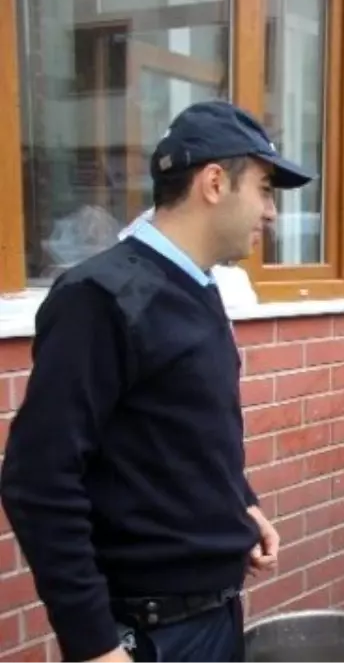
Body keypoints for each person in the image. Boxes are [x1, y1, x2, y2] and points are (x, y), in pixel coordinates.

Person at [0, 100, 298, 663]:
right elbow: (38, 479)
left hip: (213, 612)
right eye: (264, 188)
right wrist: (94, 645)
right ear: (214, 182)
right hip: (150, 636)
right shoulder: (102, 298)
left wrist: (240, 504)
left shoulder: (198, 287)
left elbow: (178, 432)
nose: (272, 212)